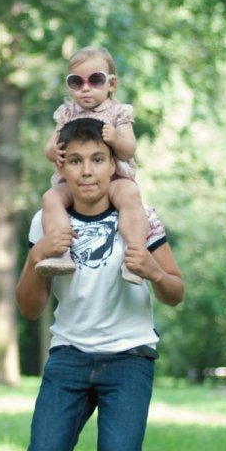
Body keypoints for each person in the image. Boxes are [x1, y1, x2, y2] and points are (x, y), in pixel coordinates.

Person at [16, 116, 184, 451]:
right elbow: (30, 308)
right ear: (61, 168)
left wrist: (153, 271)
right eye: (75, 161)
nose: (87, 171)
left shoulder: (141, 215)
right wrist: (35, 257)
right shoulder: (46, 221)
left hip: (129, 357)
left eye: (97, 159)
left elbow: (175, 291)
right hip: (69, 356)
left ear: (114, 165)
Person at [36, 45, 148, 284]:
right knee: (51, 198)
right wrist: (53, 151)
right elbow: (49, 147)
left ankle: (135, 257)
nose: (85, 88)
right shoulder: (67, 113)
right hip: (75, 182)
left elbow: (129, 148)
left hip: (113, 179)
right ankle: (60, 254)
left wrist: (116, 139)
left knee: (130, 194)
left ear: (111, 84)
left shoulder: (118, 112)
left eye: (95, 80)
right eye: (76, 82)